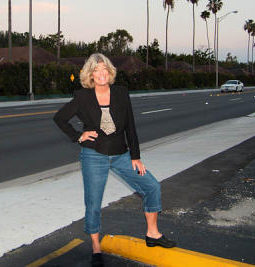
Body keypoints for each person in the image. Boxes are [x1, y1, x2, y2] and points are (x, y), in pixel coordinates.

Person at [53, 53, 176, 266]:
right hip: (94, 155)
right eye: (96, 70)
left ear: (110, 72)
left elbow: (130, 126)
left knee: (152, 186)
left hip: (121, 155)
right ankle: (96, 247)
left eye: (104, 69)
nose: (101, 74)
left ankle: (153, 234)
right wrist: (78, 136)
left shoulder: (121, 93)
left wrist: (135, 157)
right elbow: (60, 118)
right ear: (90, 74)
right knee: (93, 203)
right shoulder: (82, 96)